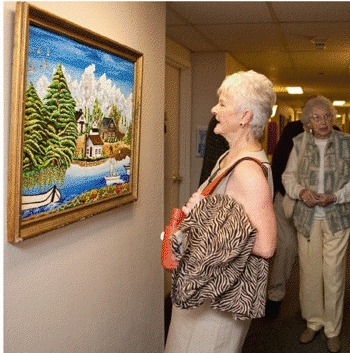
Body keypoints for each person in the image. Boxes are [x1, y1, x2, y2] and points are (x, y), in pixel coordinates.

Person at [165, 70, 277, 353]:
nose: (215, 109)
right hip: (204, 288)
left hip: (216, 298)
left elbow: (265, 245)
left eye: (223, 103)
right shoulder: (229, 156)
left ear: (245, 117)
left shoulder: (248, 171)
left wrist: (208, 219)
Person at [282, 96, 350, 353]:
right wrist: (301, 192)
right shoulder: (299, 143)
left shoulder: (346, 143)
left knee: (333, 274)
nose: (324, 122)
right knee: (309, 273)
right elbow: (287, 176)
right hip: (307, 219)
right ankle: (313, 322)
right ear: (308, 121)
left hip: (338, 218)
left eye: (327, 116)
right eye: (317, 117)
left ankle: (333, 329)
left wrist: (336, 196)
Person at [265, 120, 304, 317]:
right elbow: (279, 170)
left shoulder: (332, 135)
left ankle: (307, 304)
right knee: (288, 247)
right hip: (285, 199)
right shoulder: (293, 137)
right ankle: (275, 297)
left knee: (301, 252)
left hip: (305, 203)